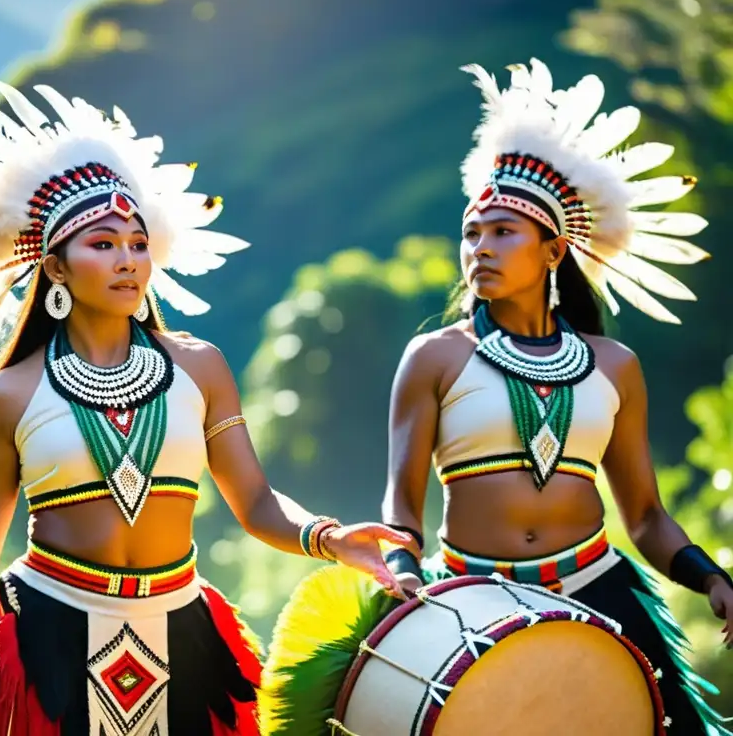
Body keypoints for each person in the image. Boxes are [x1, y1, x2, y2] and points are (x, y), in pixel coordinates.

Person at [0, 81, 412, 735]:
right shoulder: (9, 394)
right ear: (54, 266)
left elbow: (256, 503)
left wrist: (329, 537)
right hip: (48, 634)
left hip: (184, 629)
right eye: (102, 245)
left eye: (137, 243)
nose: (128, 260)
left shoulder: (200, 365)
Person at [263, 58, 732, 735]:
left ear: (552, 251)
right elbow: (403, 496)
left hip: (597, 587)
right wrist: (402, 567)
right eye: (470, 234)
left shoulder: (615, 366)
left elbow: (647, 516)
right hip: (471, 594)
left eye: (502, 232)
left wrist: (711, 578)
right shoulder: (436, 357)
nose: (479, 247)